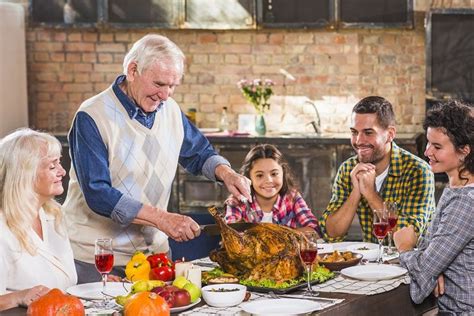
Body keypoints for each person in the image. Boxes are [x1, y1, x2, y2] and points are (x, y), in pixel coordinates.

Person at [63, 34, 251, 283]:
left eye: (173, 86)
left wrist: (227, 174)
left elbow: (199, 153)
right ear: (133, 70)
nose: (165, 95)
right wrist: (163, 219)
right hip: (98, 260)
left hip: (155, 258)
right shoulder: (92, 116)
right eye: (159, 84)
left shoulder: (170, 109)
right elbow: (98, 194)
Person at [319, 96, 436, 242]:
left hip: (410, 262)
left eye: (368, 133)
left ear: (390, 134)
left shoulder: (418, 171)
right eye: (354, 132)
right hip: (371, 260)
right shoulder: (349, 169)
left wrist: (370, 193)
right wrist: (356, 191)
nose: (359, 141)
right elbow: (331, 233)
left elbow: (408, 240)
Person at [394, 100, 473, 313]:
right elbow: (430, 254)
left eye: (437, 146)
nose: (427, 151)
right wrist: (435, 267)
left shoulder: (466, 202)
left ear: (464, 151)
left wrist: (404, 247)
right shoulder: (456, 187)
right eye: (428, 143)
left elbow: (423, 267)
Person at [0, 129, 76, 310]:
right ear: (25, 175)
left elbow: (60, 279)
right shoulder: (2, 230)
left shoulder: (53, 217)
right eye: (52, 166)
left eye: (60, 163)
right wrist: (18, 297)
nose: (63, 171)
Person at [225, 144, 321, 235]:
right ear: (248, 177)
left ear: (283, 173)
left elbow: (314, 230)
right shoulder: (237, 201)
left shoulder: (292, 198)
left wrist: (280, 236)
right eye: (259, 175)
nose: (268, 180)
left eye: (274, 174)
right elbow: (231, 235)